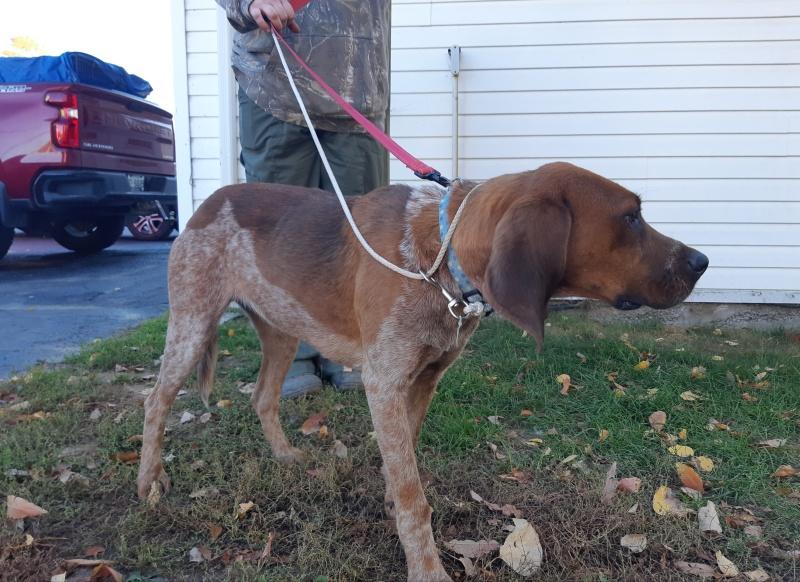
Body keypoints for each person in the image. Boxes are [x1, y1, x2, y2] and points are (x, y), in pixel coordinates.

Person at [216, 0, 390, 396]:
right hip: (273, 81)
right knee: (282, 234)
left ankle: (348, 349)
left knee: (359, 233)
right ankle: (290, 354)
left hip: (358, 83)